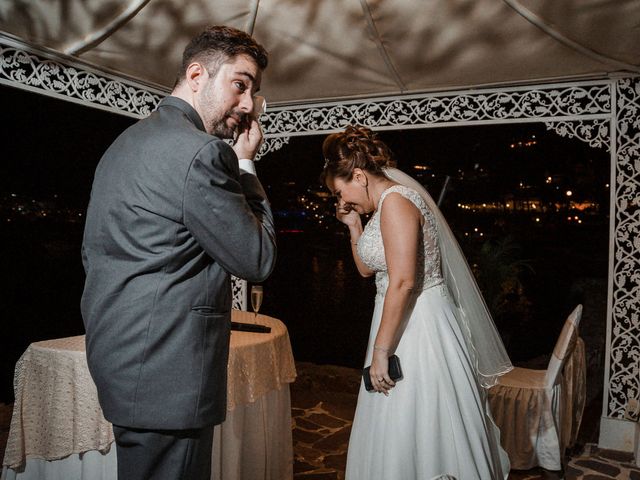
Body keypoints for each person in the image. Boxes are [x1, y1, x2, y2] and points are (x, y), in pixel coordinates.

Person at [81, 26, 277, 480]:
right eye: (240, 84)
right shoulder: (202, 152)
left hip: (122, 358)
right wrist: (247, 164)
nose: (248, 105)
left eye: (254, 92)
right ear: (196, 74)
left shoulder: (124, 143)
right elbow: (257, 258)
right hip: (168, 373)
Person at [321, 126, 513, 480]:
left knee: (421, 416)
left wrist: (381, 351)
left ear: (359, 176)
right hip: (394, 320)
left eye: (340, 190)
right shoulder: (382, 208)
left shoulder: (396, 201)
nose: (342, 200)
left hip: (419, 326)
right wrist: (353, 226)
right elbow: (368, 270)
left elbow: (405, 281)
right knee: (395, 418)